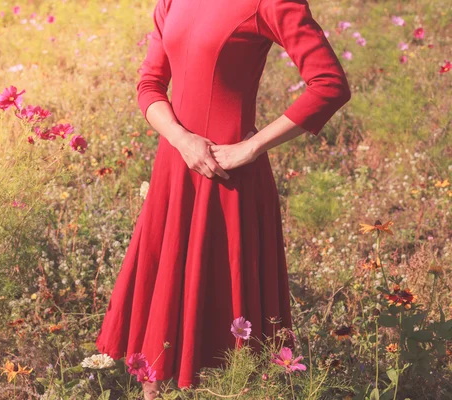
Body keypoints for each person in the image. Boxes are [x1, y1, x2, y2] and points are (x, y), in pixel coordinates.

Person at [96, 0, 351, 397]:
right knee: (164, 307)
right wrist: (183, 141)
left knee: (231, 328)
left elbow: (329, 84)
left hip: (227, 179)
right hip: (175, 168)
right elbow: (149, 84)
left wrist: (250, 149)